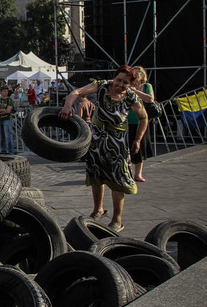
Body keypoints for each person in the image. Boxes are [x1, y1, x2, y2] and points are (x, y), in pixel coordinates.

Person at [59, 65, 147, 232]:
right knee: (96, 174)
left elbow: (144, 117)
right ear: (114, 78)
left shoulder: (130, 97)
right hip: (98, 138)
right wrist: (68, 106)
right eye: (119, 80)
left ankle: (117, 220)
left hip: (118, 142)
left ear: (130, 85)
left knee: (117, 180)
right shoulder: (102, 86)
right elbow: (76, 92)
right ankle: (97, 209)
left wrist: (137, 140)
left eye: (125, 82)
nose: (120, 84)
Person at [128, 66, 155, 182]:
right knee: (127, 147)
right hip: (128, 120)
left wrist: (135, 91)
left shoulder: (146, 86)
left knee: (140, 146)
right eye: (134, 73)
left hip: (140, 120)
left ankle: (138, 174)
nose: (136, 75)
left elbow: (150, 99)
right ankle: (127, 173)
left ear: (142, 76)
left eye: (138, 73)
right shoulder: (128, 86)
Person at [0, 86, 15, 154]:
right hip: (0, 119)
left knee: (8, 136)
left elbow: (8, 110)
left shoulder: (9, 100)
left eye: (6, 91)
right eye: (4, 91)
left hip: (7, 119)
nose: (5, 92)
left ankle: (11, 151)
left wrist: (0, 112)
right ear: (1, 92)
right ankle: (3, 150)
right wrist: (2, 110)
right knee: (2, 136)